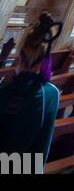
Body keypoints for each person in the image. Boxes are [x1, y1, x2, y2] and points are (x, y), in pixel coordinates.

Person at [0, 12, 62, 160]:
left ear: (20, 55)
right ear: (46, 59)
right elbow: (43, 145)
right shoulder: (51, 93)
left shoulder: (4, 87)